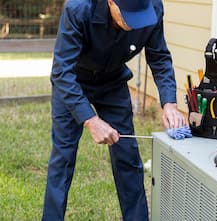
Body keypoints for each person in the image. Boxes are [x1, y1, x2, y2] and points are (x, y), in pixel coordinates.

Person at [41, 0, 185, 220]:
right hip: (73, 82)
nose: (134, 24)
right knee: (63, 157)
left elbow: (159, 56)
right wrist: (90, 119)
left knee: (127, 155)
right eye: (128, 15)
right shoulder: (78, 9)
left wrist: (169, 103)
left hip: (113, 83)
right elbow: (62, 73)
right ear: (111, 2)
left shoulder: (153, 9)